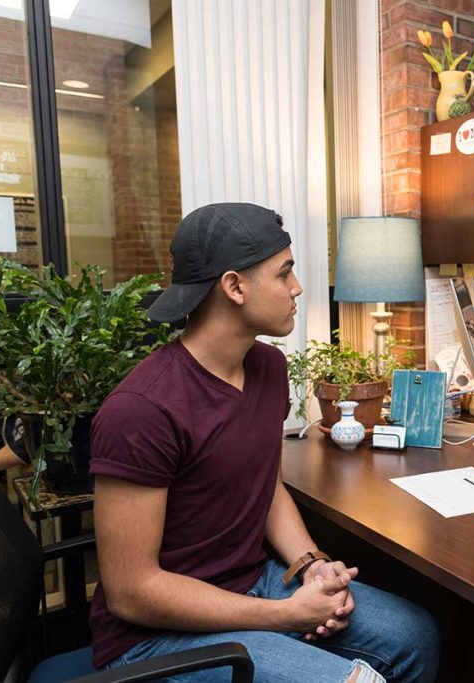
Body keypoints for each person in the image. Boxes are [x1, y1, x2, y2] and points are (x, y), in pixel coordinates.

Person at [89, 203, 439, 682]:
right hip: (155, 637)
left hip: (254, 582)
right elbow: (132, 591)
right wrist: (286, 615)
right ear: (234, 286)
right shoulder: (142, 409)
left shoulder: (268, 368)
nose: (297, 288)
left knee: (414, 634)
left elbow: (266, 488)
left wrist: (312, 565)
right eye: (285, 273)